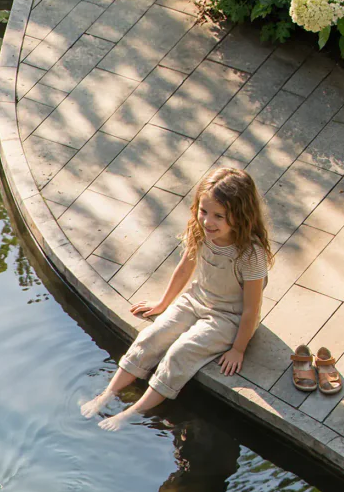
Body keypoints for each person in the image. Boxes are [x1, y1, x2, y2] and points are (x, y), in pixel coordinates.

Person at [80, 166, 272, 431]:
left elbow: (253, 307)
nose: (208, 221)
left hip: (228, 317)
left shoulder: (250, 254)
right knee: (151, 337)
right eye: (203, 211)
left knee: (180, 353)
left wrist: (238, 348)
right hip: (195, 300)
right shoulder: (200, 231)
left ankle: (132, 412)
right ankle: (107, 394)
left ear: (241, 216)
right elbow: (184, 269)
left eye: (219, 216)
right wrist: (162, 304)